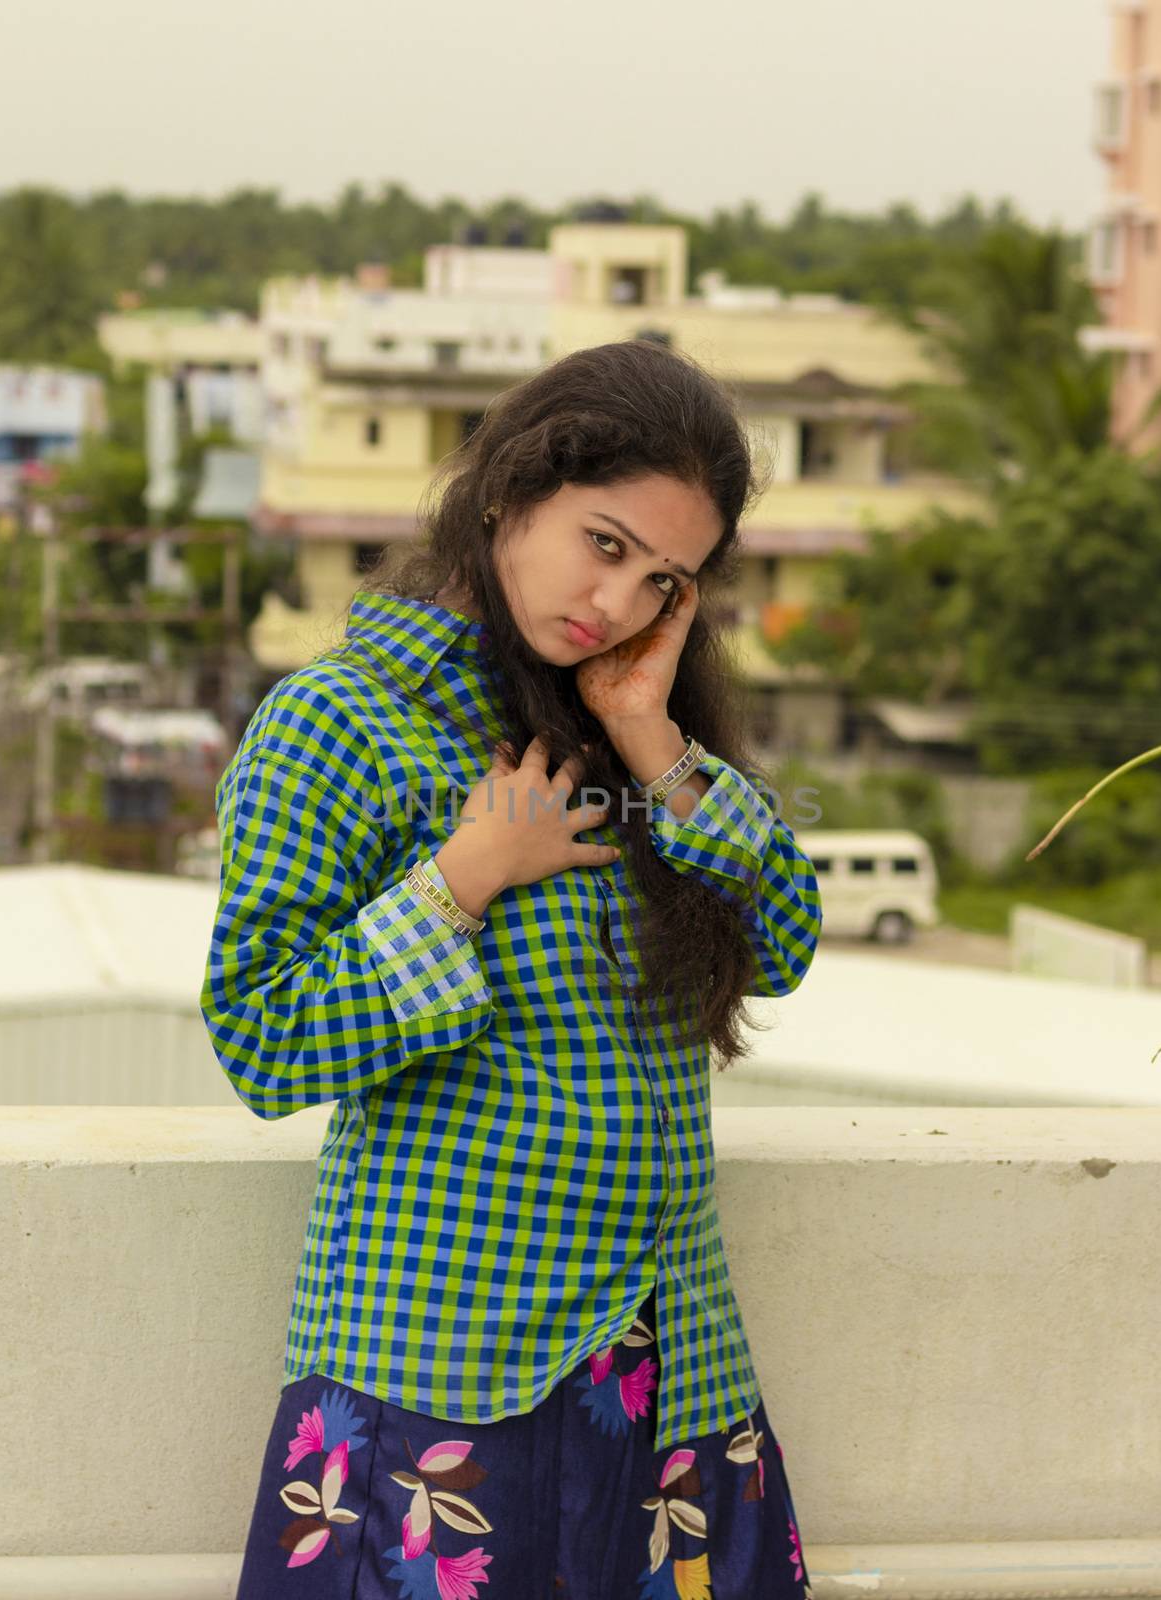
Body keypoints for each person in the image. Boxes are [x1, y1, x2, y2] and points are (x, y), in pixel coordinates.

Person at [200, 337, 823, 1599]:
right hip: (447, 1371)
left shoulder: (623, 723)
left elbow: (785, 944)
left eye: (664, 579)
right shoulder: (345, 720)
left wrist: (651, 737)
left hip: (666, 1353)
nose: (618, 600)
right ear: (510, 490)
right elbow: (259, 1042)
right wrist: (464, 878)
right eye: (604, 543)